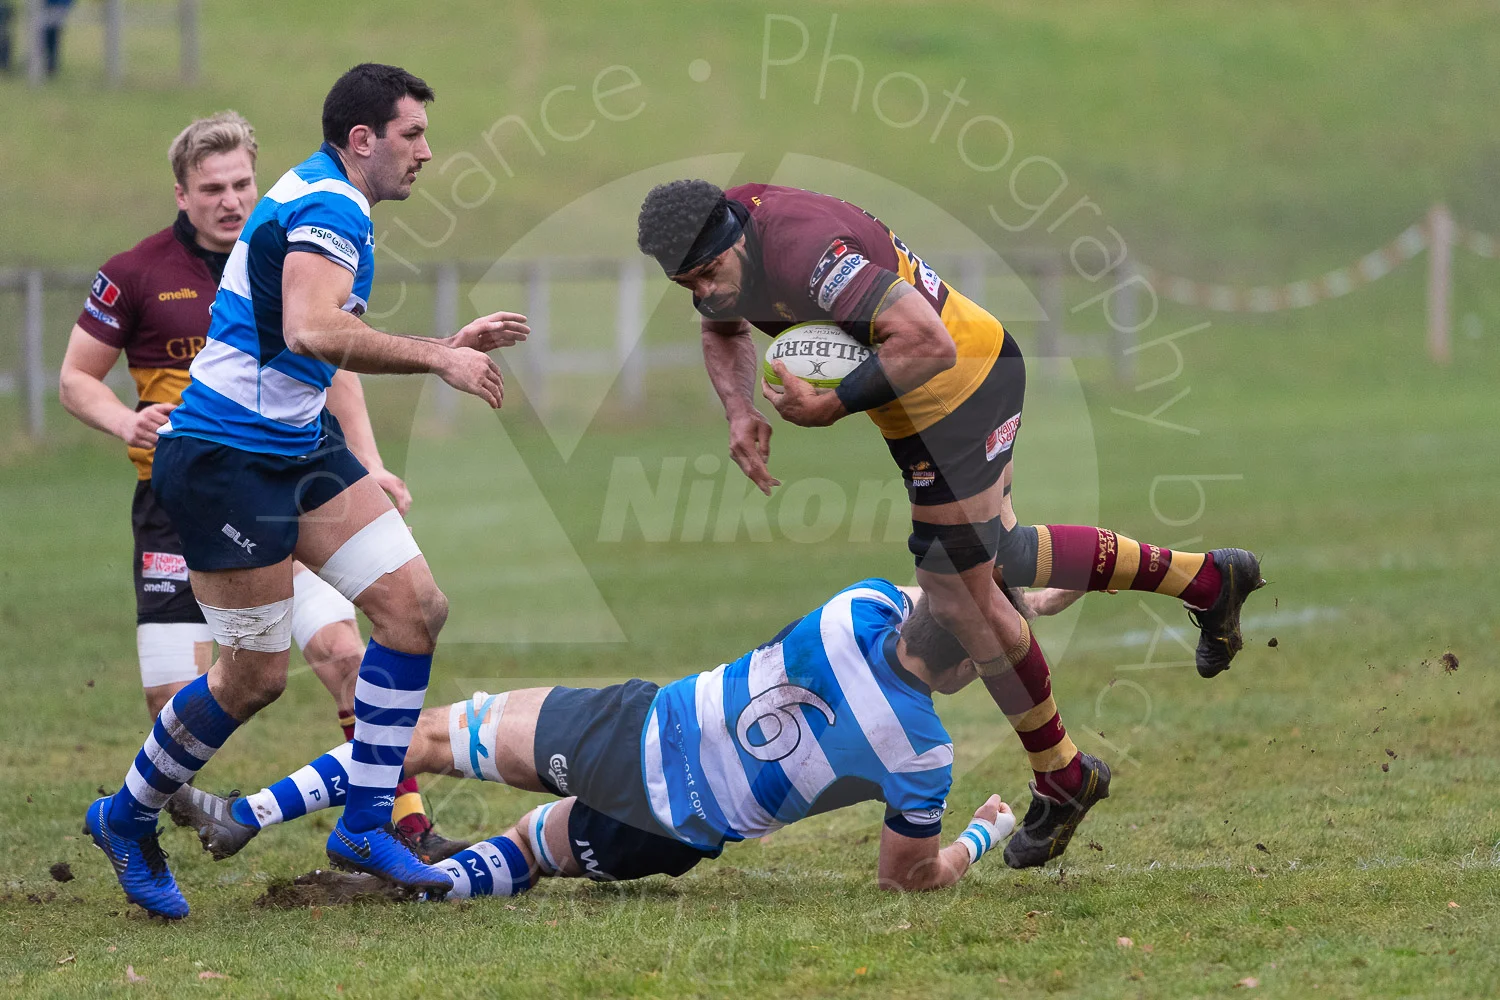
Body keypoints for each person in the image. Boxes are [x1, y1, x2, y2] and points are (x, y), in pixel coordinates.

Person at [635, 181, 1264, 868]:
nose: (704, 292)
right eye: (687, 284)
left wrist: (833, 405)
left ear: (734, 236)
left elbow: (926, 340)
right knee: (1006, 555)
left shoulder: (804, 250)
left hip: (960, 388)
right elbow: (723, 324)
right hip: (920, 407)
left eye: (709, 273)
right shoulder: (724, 251)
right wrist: (738, 409)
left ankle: (1063, 776)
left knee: (958, 595)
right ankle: (1208, 580)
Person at [82, 64, 529, 919]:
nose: (426, 152)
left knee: (414, 610)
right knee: (253, 679)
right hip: (226, 461)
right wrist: (439, 357)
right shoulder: (330, 205)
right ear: (363, 140)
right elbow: (312, 328)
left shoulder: (329, 194)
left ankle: (363, 826)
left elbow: (314, 340)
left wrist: (442, 343)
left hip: (297, 446)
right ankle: (126, 818)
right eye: (412, 135)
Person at [174, 579, 1019, 896]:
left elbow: (939, 587)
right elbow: (905, 879)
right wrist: (982, 835)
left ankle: (248, 813)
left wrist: (1000, 590)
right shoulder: (921, 754)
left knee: (425, 737)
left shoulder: (858, 606)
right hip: (674, 831)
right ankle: (414, 890)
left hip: (630, 732)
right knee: (528, 850)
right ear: (963, 673)